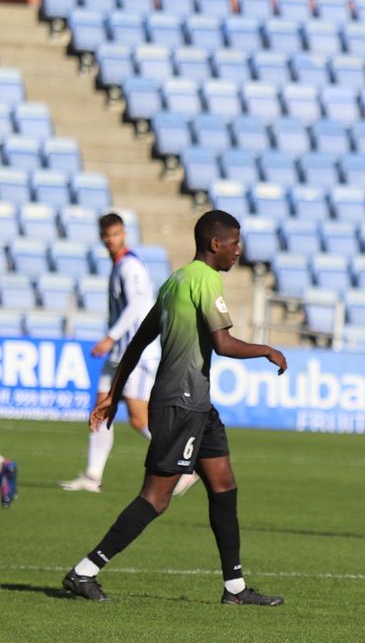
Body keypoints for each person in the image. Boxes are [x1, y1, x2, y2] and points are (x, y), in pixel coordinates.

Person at [61, 210, 288, 605]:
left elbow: (137, 343)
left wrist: (114, 395)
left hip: (197, 404)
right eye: (235, 243)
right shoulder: (204, 280)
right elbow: (223, 343)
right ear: (215, 244)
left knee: (223, 486)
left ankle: (234, 589)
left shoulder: (174, 281)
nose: (239, 251)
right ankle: (84, 571)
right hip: (180, 405)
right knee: (155, 498)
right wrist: (266, 349)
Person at [59, 213, 196, 497]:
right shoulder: (119, 265)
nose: (111, 240)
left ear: (124, 234)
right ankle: (93, 475)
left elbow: (138, 305)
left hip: (135, 353)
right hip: (120, 353)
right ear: (102, 237)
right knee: (101, 410)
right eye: (107, 235)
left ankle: (185, 467)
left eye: (116, 234)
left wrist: (111, 336)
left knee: (138, 418)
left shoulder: (130, 267)